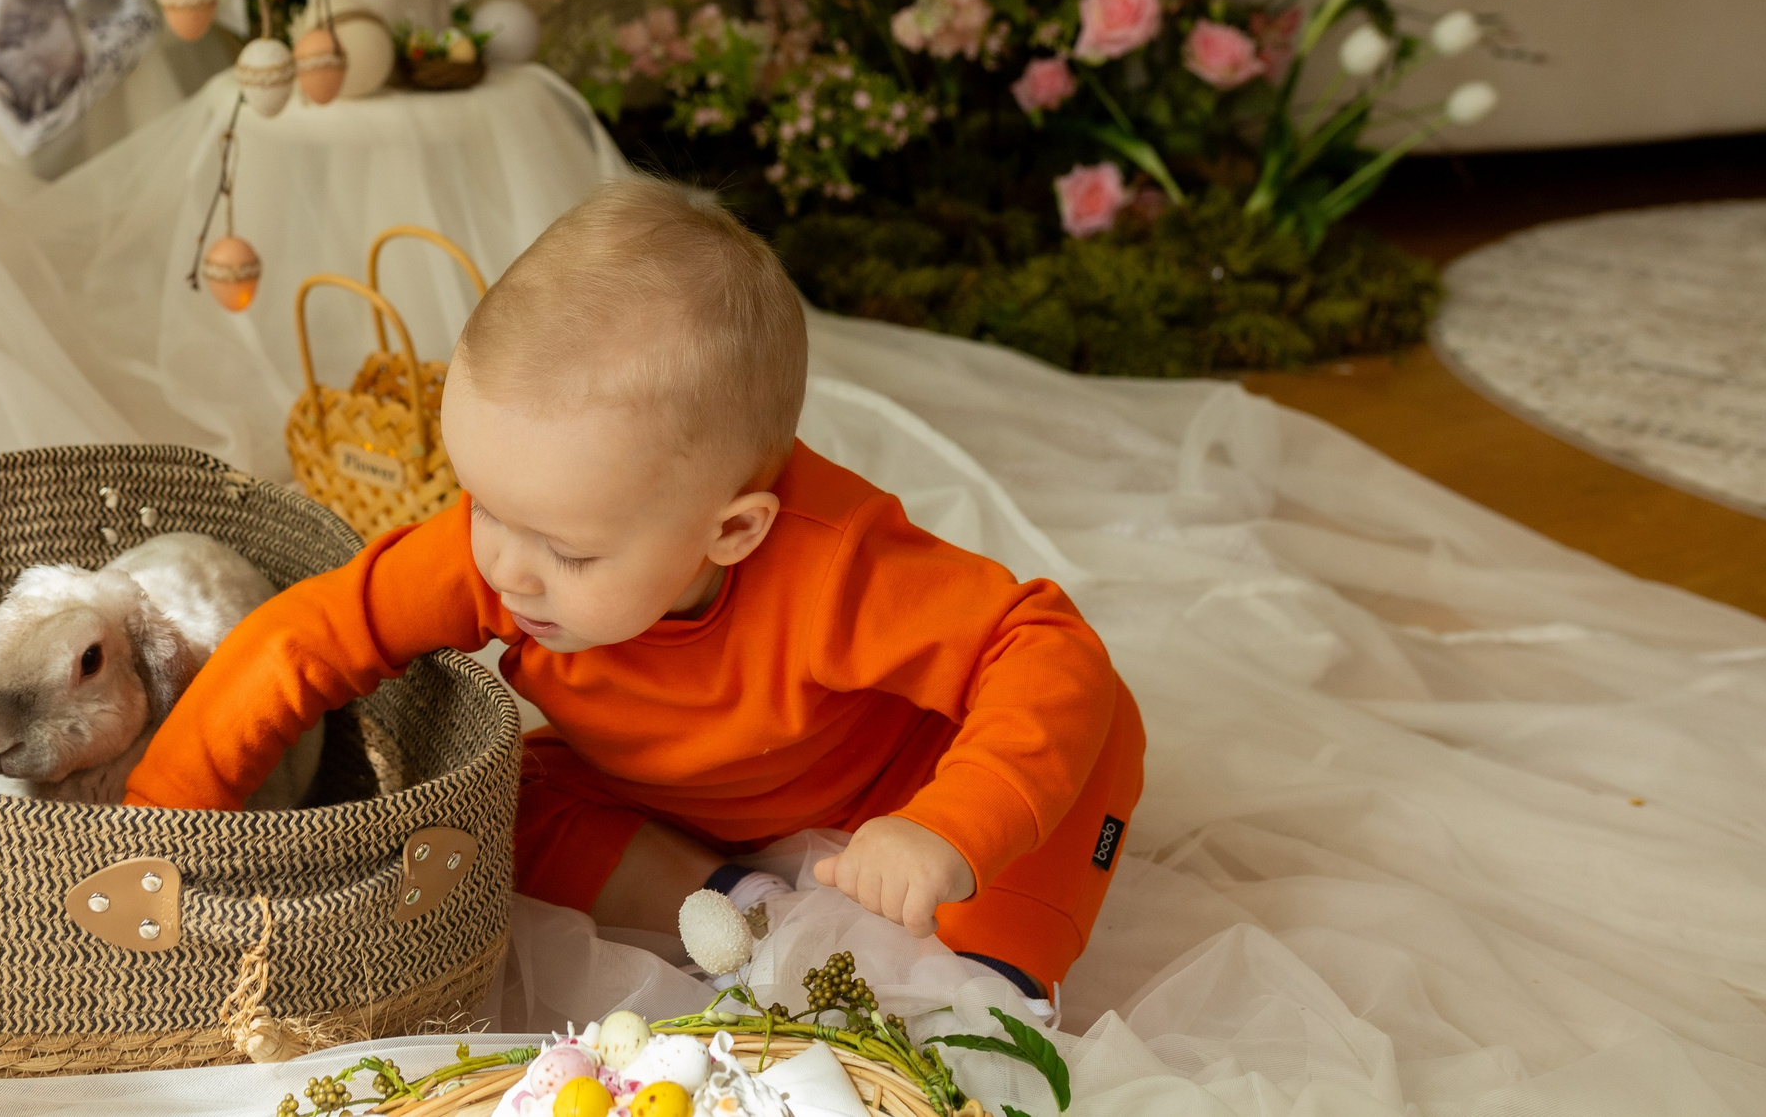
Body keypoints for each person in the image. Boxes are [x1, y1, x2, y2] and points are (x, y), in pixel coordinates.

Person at [124, 178, 1145, 1008]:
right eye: (482, 503)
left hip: (909, 779)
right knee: (485, 802)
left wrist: (953, 828)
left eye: (568, 553)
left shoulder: (834, 569)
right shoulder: (509, 540)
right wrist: (158, 815)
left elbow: (1051, 651)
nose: (506, 568)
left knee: (979, 977)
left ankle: (987, 966)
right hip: (683, 790)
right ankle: (727, 906)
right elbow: (305, 637)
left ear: (731, 530)